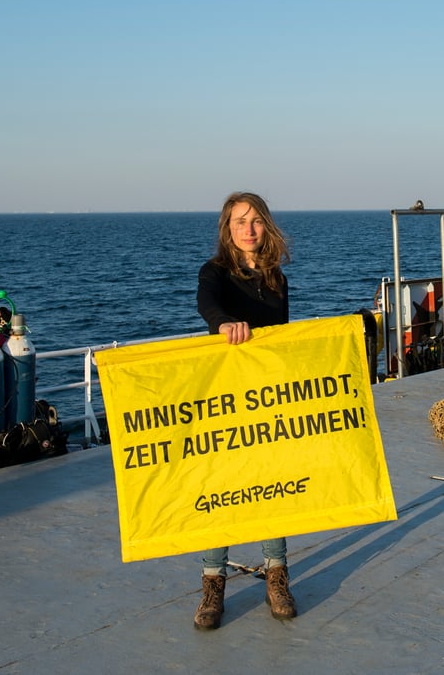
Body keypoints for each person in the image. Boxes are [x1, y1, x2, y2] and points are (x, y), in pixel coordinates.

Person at [192, 191, 297, 631]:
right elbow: (207, 303)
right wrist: (223, 325)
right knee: (223, 487)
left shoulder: (276, 278)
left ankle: (276, 576)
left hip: (268, 398)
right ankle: (213, 584)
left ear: (265, 226)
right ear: (227, 229)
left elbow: (283, 337)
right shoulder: (215, 272)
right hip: (225, 399)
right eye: (239, 222)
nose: (248, 229)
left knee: (271, 485)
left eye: (255, 220)